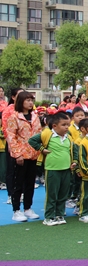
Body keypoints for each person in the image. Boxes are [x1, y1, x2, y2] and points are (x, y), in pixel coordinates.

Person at [28, 112, 74, 226]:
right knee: (52, 194)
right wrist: (41, 149)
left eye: (68, 125)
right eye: (63, 125)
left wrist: (73, 162)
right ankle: (49, 217)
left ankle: (59, 215)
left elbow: (73, 151)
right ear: (54, 126)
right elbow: (32, 141)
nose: (67, 127)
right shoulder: (47, 134)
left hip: (66, 169)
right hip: (52, 169)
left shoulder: (68, 137)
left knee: (63, 194)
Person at [6, 91, 42, 222]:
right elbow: (11, 137)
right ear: (20, 102)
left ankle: (28, 208)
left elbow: (39, 134)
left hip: (33, 154)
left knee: (30, 183)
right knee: (18, 183)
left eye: (31, 100)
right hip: (21, 155)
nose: (30, 103)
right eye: (28, 100)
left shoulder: (35, 116)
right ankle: (16, 210)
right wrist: (17, 154)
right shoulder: (14, 117)